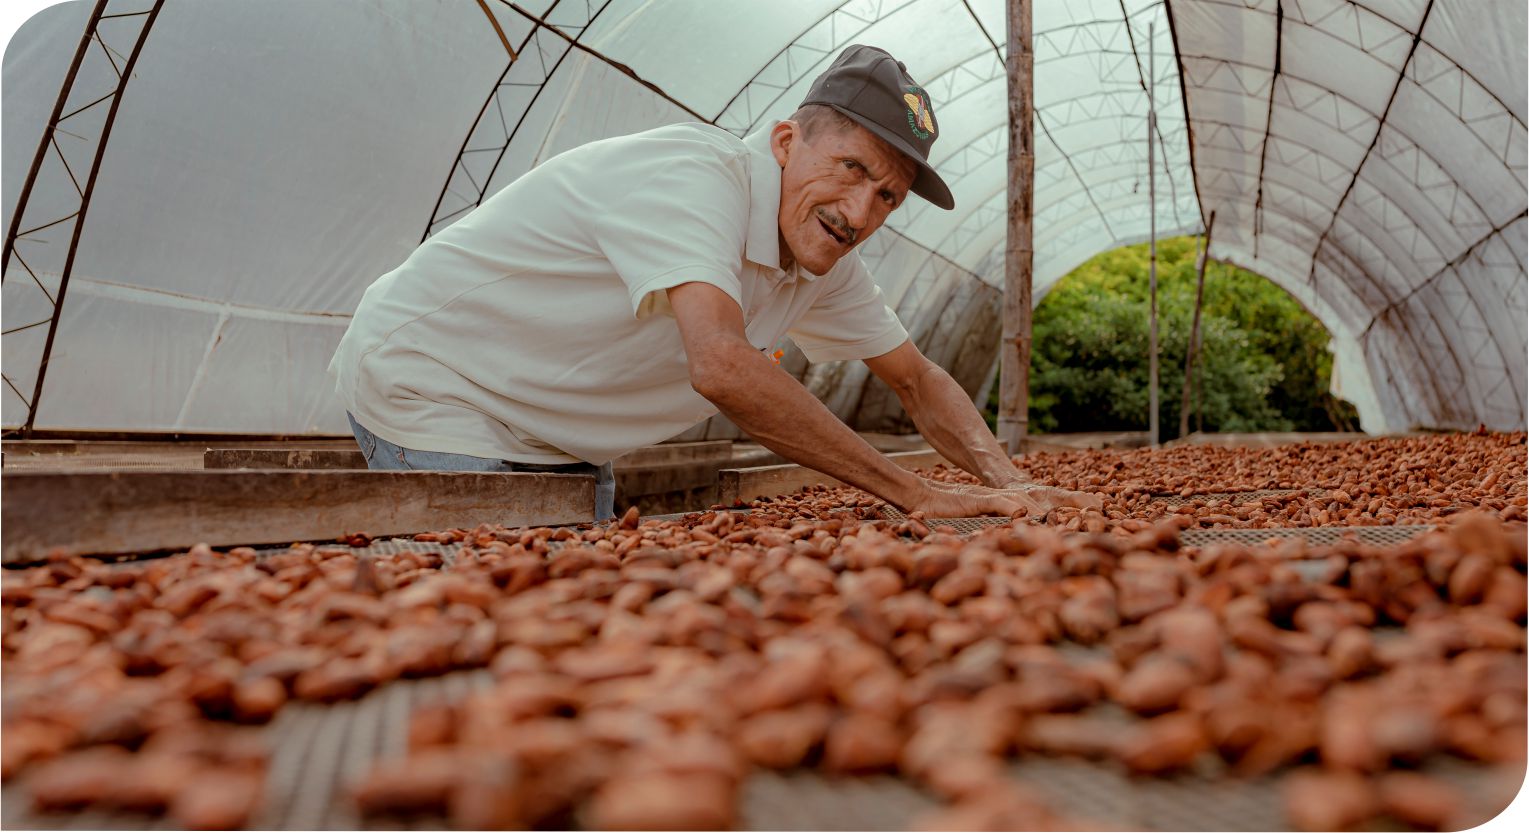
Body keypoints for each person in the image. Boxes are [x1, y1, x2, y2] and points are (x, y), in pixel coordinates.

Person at [329, 44, 1099, 522]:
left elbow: (916, 379)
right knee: (486, 626)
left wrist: (1010, 484)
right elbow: (722, 366)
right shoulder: (695, 179)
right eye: (852, 168)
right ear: (786, 141)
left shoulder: (824, 251)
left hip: (555, 426)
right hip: (433, 384)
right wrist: (916, 491)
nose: (861, 210)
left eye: (888, 196)